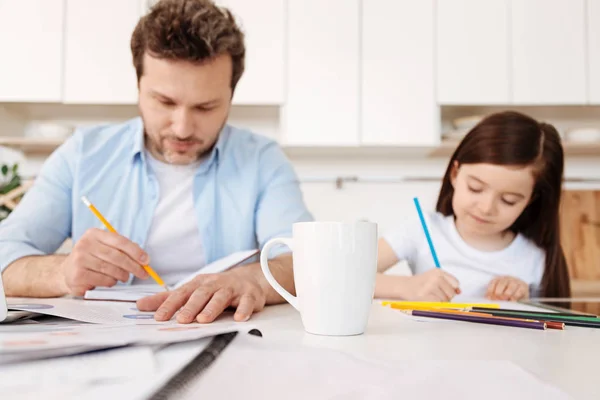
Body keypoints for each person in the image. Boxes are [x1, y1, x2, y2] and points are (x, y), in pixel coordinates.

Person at [0, 0, 313, 323]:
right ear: (138, 86)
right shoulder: (82, 155)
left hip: (221, 334)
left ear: (231, 96)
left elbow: (304, 257)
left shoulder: (263, 160)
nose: (182, 128)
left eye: (205, 107)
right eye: (164, 102)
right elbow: (5, 252)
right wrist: (61, 272)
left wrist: (252, 280)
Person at [376, 111, 571, 302]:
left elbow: (551, 326)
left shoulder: (534, 258)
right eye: (475, 188)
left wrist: (523, 300)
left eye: (508, 200)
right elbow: (348, 275)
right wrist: (405, 287)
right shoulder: (422, 229)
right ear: (454, 174)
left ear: (530, 200)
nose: (486, 208)